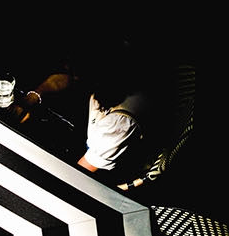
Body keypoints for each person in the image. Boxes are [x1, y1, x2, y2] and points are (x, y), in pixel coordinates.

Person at [21, 41, 161, 187]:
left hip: (106, 173)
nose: (71, 77)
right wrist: (35, 96)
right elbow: (63, 80)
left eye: (77, 76)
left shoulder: (120, 123)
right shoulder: (110, 73)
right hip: (92, 137)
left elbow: (76, 177)